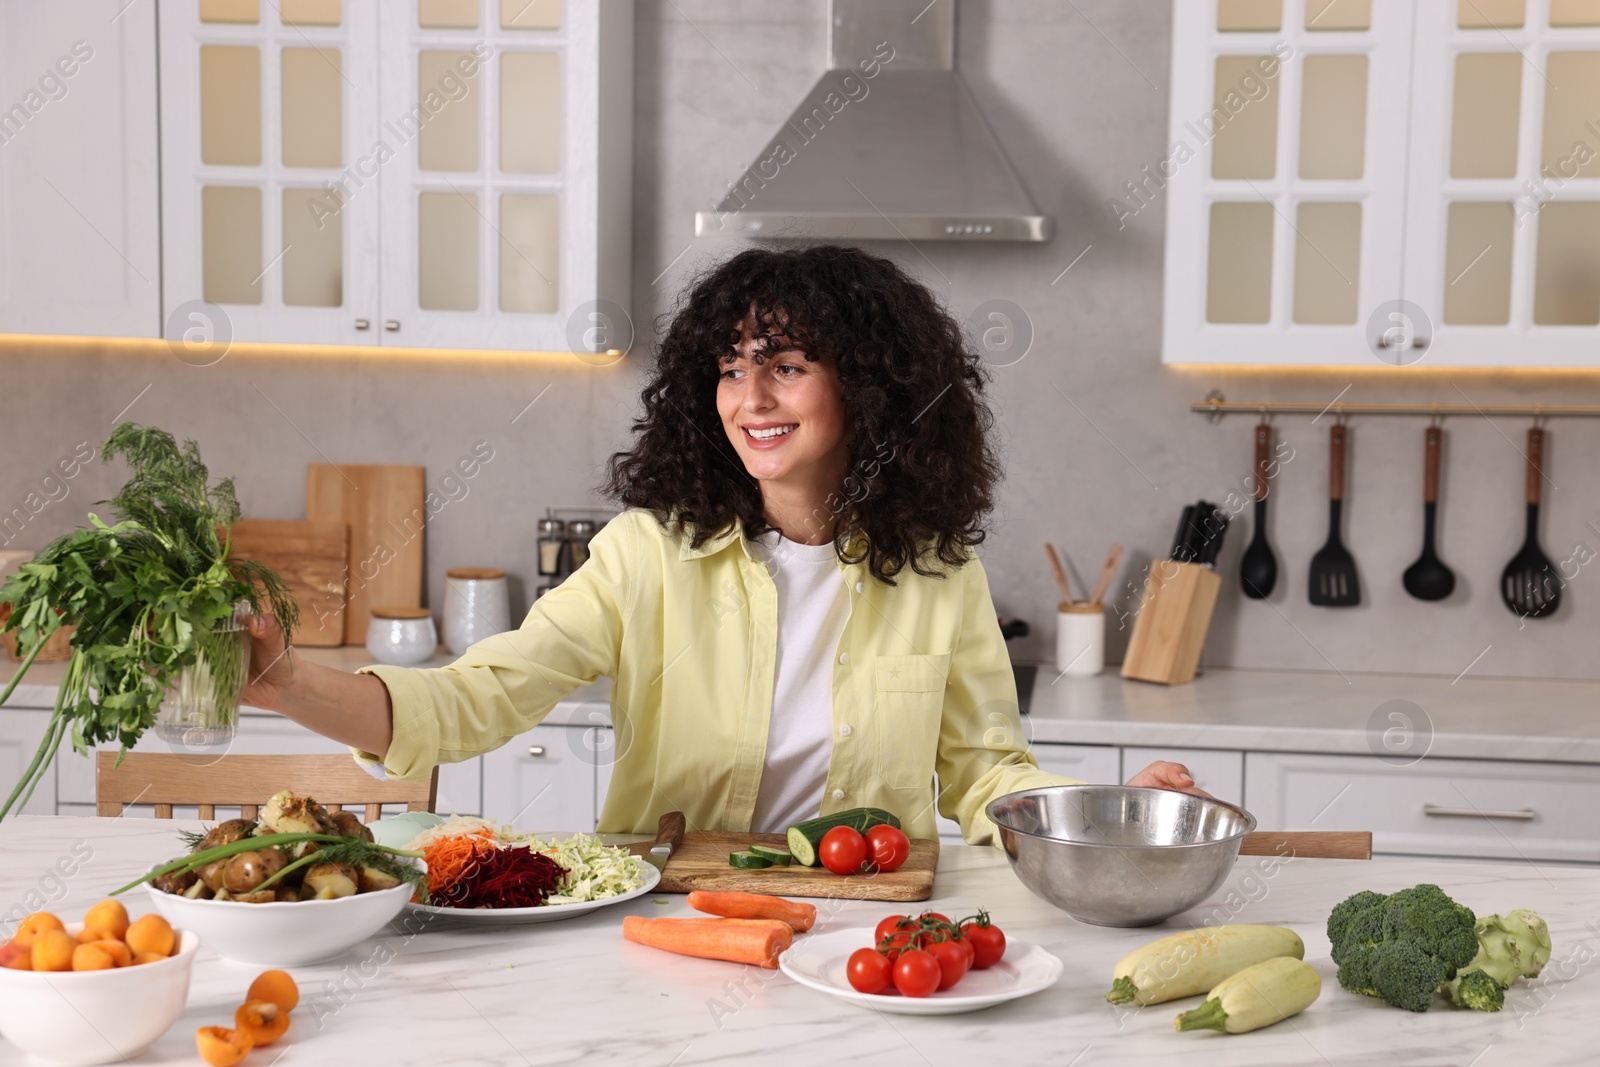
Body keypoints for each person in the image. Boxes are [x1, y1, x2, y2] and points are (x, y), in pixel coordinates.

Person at [243, 245, 1202, 843]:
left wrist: (1103, 809)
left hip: (859, 933)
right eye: (733, 368)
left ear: (867, 392)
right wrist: (288, 680)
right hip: (673, 917)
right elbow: (473, 699)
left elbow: (987, 769)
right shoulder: (643, 554)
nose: (751, 400)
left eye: (786, 367)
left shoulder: (937, 571)